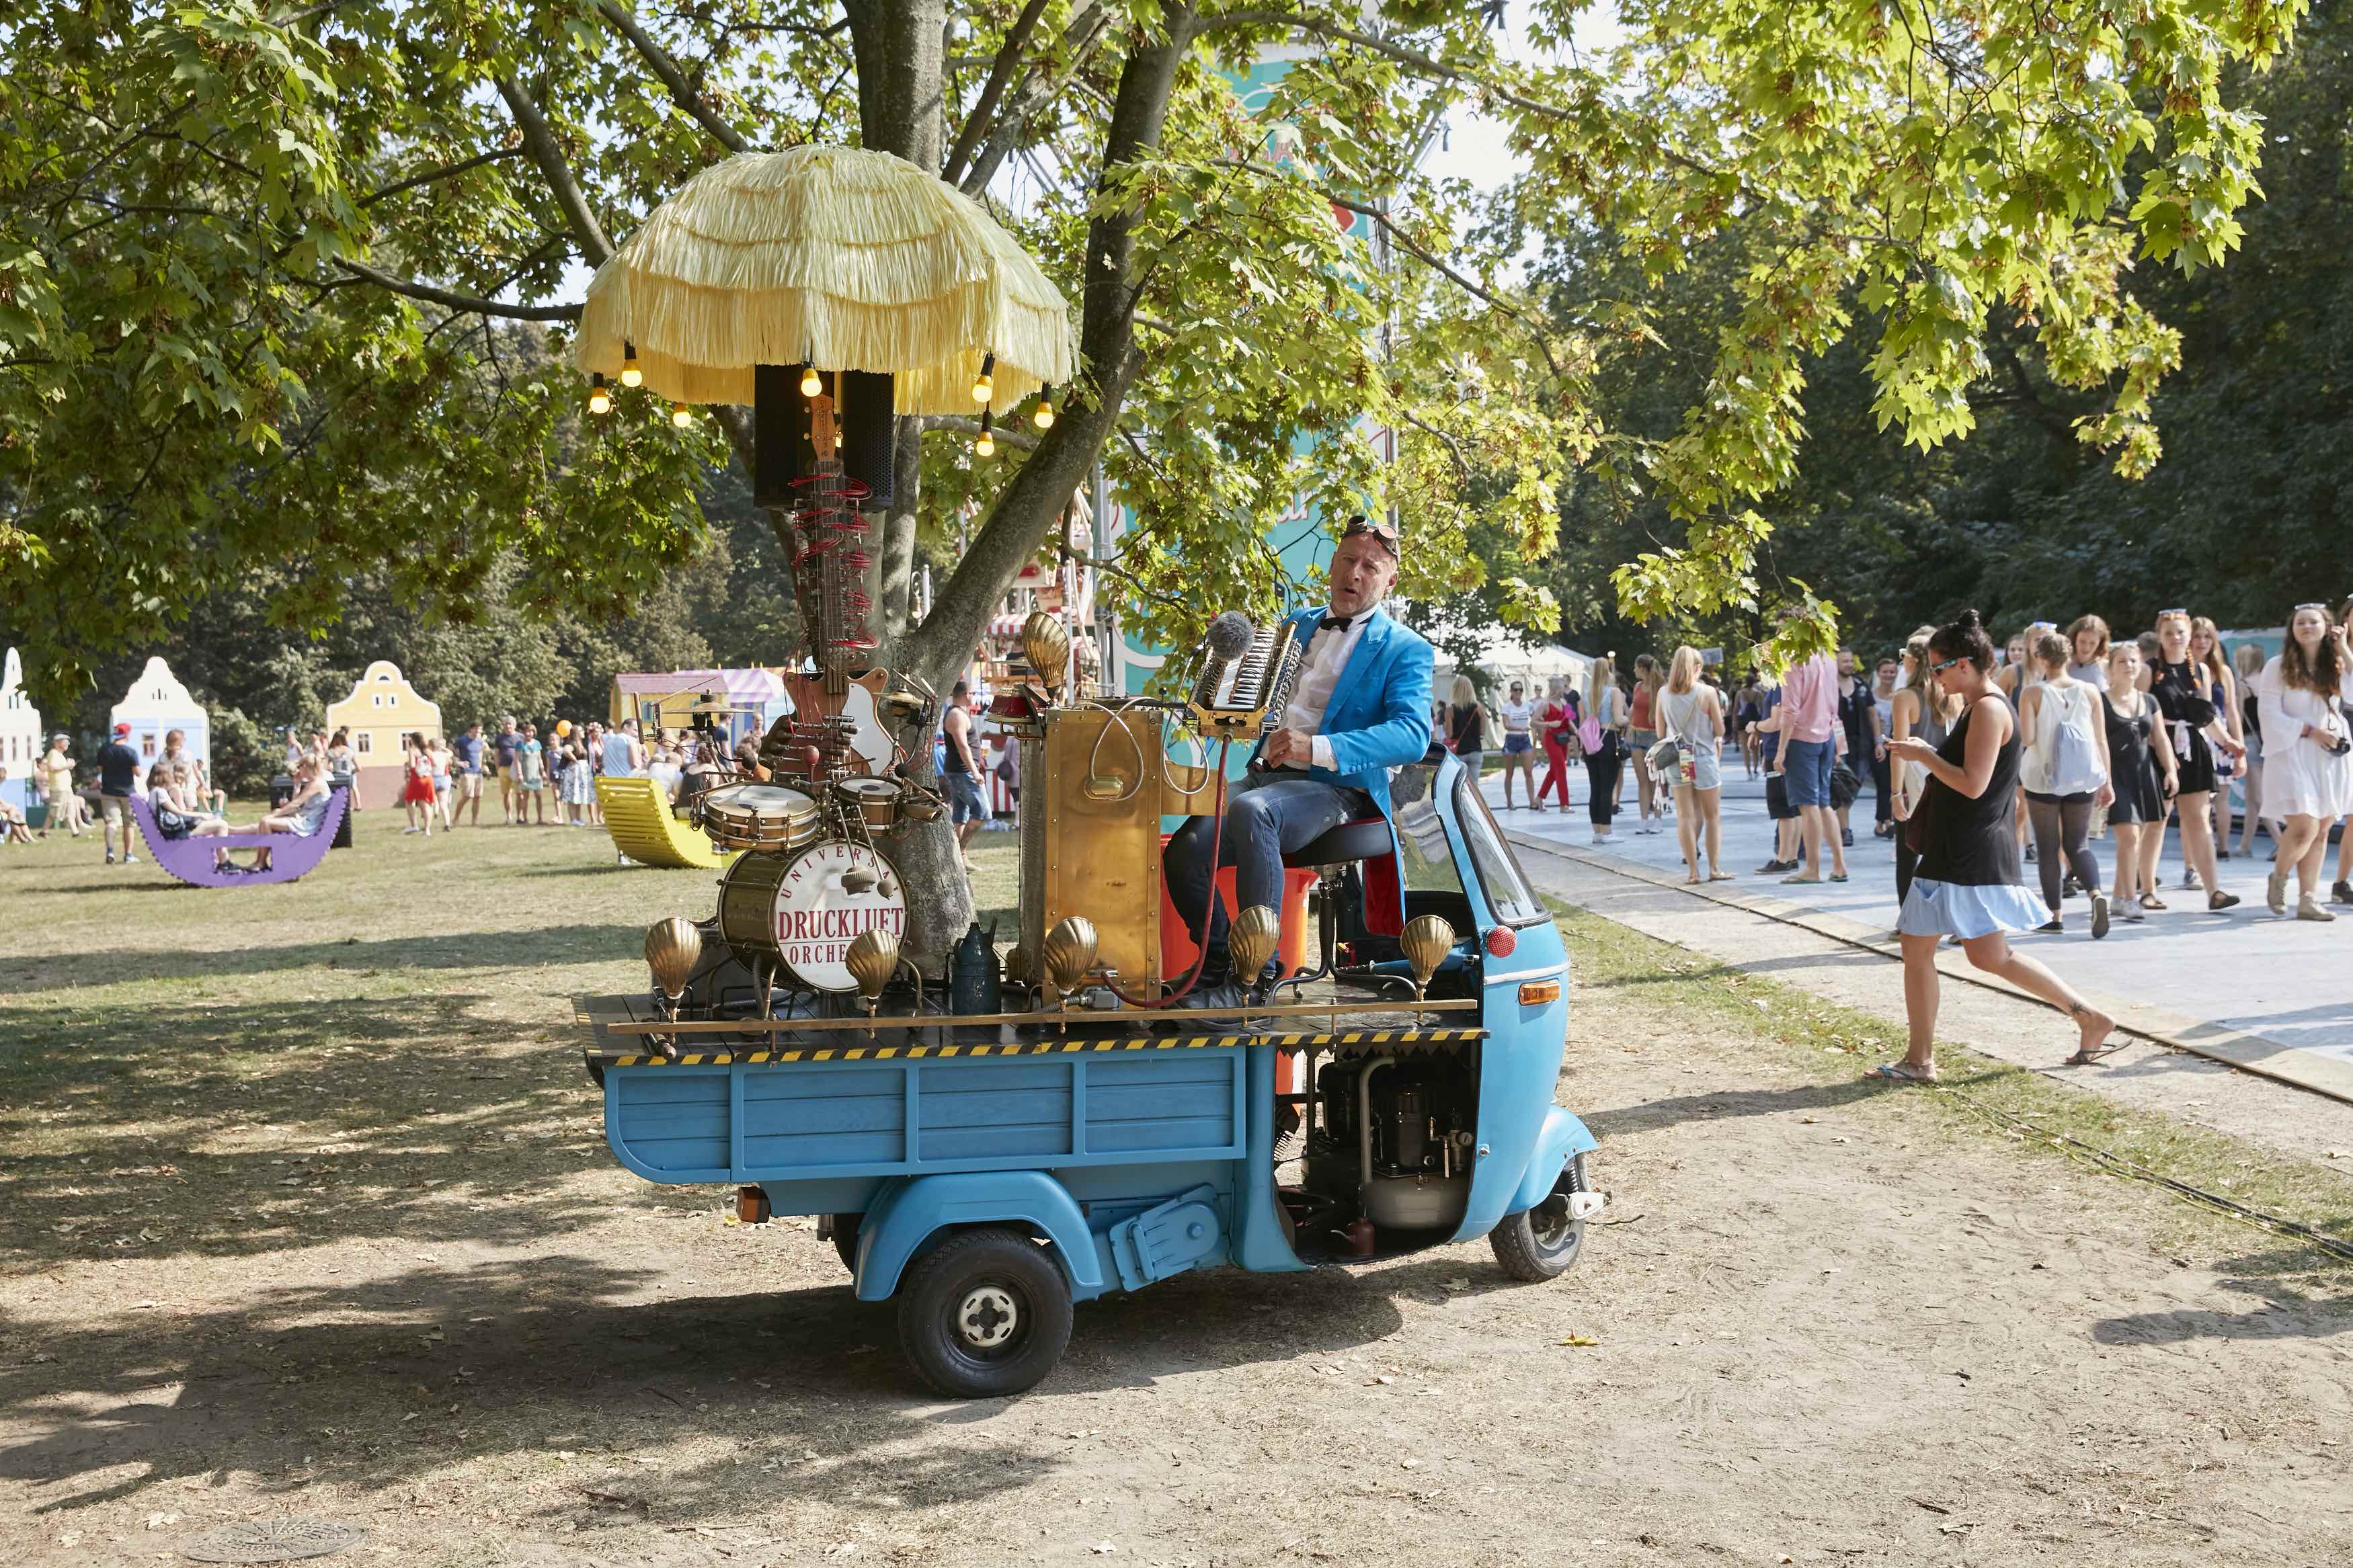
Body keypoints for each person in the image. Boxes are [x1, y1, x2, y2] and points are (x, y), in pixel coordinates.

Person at [1166, 515, 1433, 1008]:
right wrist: (1220, 688)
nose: (1355, 573)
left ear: (1389, 581)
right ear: (1332, 564)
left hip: (1337, 787)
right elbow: (1253, 697)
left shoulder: (1405, 648)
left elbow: (1413, 735)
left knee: (1253, 812)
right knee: (1185, 847)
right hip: (1267, 775)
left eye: (1370, 567)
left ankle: (1256, 978)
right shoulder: (1295, 625)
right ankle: (1219, 961)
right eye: (1348, 560)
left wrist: (1317, 748)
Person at [1876, 610, 2118, 1083]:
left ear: (1964, 665)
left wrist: (1924, 755)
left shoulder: (1987, 708)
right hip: (1964, 849)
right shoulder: (1980, 704)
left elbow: (1972, 784)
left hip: (1966, 852)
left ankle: (1920, 1059)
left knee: (1928, 950)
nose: (1934, 676)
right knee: (1984, 956)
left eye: (1939, 667)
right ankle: (2089, 1017)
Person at [2256, 603, 2353, 921]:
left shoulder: (2336, 663)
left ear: (2327, 626)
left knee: (2323, 827)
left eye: (2314, 622)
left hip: (2327, 756)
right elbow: (2268, 713)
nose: (2307, 627)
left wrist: (2342, 647)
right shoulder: (2278, 665)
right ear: (2293, 630)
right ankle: (2280, 878)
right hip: (2292, 750)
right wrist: (2309, 730)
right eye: (2300, 622)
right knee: (2304, 824)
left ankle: (2308, 899)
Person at [2141, 608, 2243, 911]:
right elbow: (2139, 715)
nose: (2175, 638)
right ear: (2160, 635)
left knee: (2199, 820)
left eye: (2180, 632)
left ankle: (2214, 891)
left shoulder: (2201, 670)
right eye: (2169, 632)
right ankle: (2147, 889)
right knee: (2157, 821)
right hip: (2160, 747)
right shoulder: (2149, 670)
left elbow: (2206, 715)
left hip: (2194, 748)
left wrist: (2229, 743)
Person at [2018, 630, 2114, 936]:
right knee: (2078, 844)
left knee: (2048, 847)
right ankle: (2095, 894)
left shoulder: (2032, 693)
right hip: (2082, 778)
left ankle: (2055, 917)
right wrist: (2106, 780)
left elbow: (2029, 738)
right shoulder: (2090, 691)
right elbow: (2100, 738)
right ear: (2069, 656)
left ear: (2040, 658)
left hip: (2043, 778)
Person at [2100, 641, 2179, 923]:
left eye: (2133, 661)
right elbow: (2095, 741)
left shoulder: (2149, 701)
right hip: (2114, 775)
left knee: (2139, 836)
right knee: (2129, 837)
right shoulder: (2099, 700)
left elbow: (2160, 739)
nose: (2129, 666)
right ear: (2109, 668)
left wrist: (2170, 770)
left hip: (2144, 772)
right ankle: (2128, 898)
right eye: (2121, 661)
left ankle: (2119, 896)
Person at [1888, 628, 1957, 907]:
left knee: (1907, 853)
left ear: (1912, 661)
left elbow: (1899, 750)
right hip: (1947, 778)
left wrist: (1895, 792)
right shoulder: (1951, 695)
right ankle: (1952, 917)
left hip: (1913, 783)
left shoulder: (1905, 698)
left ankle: (1908, 918)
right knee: (1944, 850)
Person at [1657, 646, 1730, 882]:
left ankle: (1692, 872)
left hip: (1677, 758)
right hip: (1703, 756)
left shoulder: (1663, 693)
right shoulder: (1707, 692)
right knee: (1712, 816)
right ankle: (1714, 868)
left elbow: (1660, 731)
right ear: (1697, 667)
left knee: (1685, 817)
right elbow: (1720, 730)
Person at [1776, 647, 1848, 884]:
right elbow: (1833, 702)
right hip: (1825, 735)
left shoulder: (1793, 659)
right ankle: (1839, 866)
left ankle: (1813, 869)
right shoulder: (1827, 656)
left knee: (1808, 807)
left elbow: (1791, 709)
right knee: (1824, 804)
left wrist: (1780, 749)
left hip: (1802, 738)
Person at [2190, 616, 2243, 867]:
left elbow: (2232, 710)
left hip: (2220, 735)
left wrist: (2238, 744)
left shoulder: (2223, 671)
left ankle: (2222, 846)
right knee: (2199, 800)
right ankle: (2199, 851)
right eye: (2197, 636)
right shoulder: (2183, 668)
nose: (2202, 642)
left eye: (2207, 636)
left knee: (2221, 797)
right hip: (2193, 735)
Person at [250, 755, 333, 872]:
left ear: (304, 767)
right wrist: (297, 784)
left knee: (266, 822)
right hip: (306, 820)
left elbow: (296, 804)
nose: (298, 771)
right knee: (270, 816)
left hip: (308, 825)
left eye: (299, 767)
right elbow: (296, 803)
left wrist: (274, 816)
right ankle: (259, 861)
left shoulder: (316, 784)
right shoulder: (313, 782)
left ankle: (262, 862)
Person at [1833, 649, 1879, 850]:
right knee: (1843, 785)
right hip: (1837, 744)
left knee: (1854, 785)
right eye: (1845, 661)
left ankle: (1839, 822)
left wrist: (1878, 741)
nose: (1849, 665)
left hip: (1861, 744)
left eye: (1851, 661)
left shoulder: (1861, 686)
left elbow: (1872, 714)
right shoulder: (1828, 686)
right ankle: (1845, 830)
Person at [941, 682, 987, 867]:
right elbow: (962, 746)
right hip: (962, 772)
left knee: (961, 814)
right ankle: (959, 852)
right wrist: (974, 771)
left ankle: (961, 859)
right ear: (966, 694)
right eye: (973, 692)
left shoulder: (958, 713)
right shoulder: (956, 715)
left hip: (960, 771)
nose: (974, 696)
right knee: (982, 811)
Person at [2231, 642, 2268, 858]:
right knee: (2252, 795)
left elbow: (2237, 715)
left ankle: (2281, 840)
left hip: (2249, 741)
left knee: (2257, 797)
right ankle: (2245, 844)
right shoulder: (2267, 681)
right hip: (2266, 741)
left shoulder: (2243, 685)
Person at [1582, 657, 1625, 845]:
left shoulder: (1587, 694)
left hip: (1590, 743)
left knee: (1595, 788)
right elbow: (1618, 719)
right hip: (1608, 740)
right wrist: (1629, 720)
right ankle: (1607, 831)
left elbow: (1585, 722)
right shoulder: (1614, 692)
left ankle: (1597, 831)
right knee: (1608, 788)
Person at [1626, 654, 1663, 833]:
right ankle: (1643, 820)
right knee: (1642, 780)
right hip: (1637, 736)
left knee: (1656, 780)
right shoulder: (1638, 686)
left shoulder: (1661, 688)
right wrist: (1628, 732)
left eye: (1636, 667)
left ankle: (1657, 819)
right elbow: (1634, 713)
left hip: (1655, 737)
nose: (1634, 670)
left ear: (1642, 668)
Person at [97, 721, 142, 865]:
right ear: (127, 734)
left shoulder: (104, 750)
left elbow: (99, 769)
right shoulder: (130, 752)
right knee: (128, 824)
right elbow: (138, 773)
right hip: (127, 791)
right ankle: (128, 855)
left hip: (108, 791)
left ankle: (110, 852)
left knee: (111, 823)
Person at [1496, 679, 1541, 809]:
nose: (1518, 692)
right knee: (1509, 773)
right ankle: (1509, 802)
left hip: (1525, 740)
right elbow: (1506, 725)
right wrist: (1520, 729)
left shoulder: (1528, 705)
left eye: (1520, 690)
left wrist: (1535, 735)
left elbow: (1534, 721)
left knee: (1528, 772)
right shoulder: (1507, 707)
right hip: (1511, 739)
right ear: (1511, 691)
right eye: (1515, 690)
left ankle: (1532, 801)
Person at [1535, 675, 1577, 812]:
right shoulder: (1545, 704)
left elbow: (1570, 720)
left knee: (1554, 770)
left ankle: (1540, 797)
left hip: (1563, 738)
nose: (1565, 689)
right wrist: (1549, 723)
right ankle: (1564, 804)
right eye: (1563, 687)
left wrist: (1577, 732)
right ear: (1557, 688)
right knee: (1561, 769)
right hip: (1551, 738)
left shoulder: (1564, 702)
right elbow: (1533, 721)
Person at [1869, 656, 1899, 839]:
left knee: (1892, 784)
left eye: (1892, 672)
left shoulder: (1900, 695)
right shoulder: (1871, 695)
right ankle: (1886, 821)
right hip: (1877, 746)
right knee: (1884, 784)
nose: (1889, 675)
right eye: (1885, 672)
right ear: (1878, 673)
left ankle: (1883, 822)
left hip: (1895, 745)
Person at [36, 735, 83, 838]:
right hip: (58, 788)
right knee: (55, 811)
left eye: (68, 742)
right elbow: (52, 768)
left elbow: (60, 768)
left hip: (66, 788)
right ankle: (43, 831)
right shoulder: (53, 753)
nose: (68, 744)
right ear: (57, 743)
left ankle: (75, 832)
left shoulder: (60, 755)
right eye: (64, 742)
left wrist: (69, 765)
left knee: (71, 810)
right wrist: (67, 765)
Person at [1445, 674, 1485, 784]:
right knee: (1474, 787)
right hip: (1476, 751)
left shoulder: (1450, 710)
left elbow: (1449, 734)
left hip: (1459, 753)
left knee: (1459, 787)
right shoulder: (1480, 708)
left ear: (1455, 690)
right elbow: (1482, 732)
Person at [451, 721, 486, 826]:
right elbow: (450, 750)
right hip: (467, 772)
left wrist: (482, 765)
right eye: (476, 729)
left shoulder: (480, 741)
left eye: (480, 729)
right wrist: (458, 762)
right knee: (467, 796)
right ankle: (456, 818)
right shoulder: (462, 740)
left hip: (478, 773)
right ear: (471, 729)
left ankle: (474, 821)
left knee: (477, 797)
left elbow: (480, 753)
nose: (478, 731)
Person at [514, 723, 548, 825]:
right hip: (525, 774)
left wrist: (543, 771)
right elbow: (517, 760)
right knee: (525, 796)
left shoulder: (537, 744)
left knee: (538, 796)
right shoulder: (520, 744)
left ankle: (540, 819)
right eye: (527, 731)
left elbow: (539, 759)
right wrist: (520, 774)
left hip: (536, 774)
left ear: (534, 732)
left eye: (531, 731)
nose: (529, 733)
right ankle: (525, 818)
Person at [2065, 615, 2112, 690]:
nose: (2086, 648)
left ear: (2100, 643)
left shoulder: (2107, 667)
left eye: (2092, 643)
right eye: (2082, 641)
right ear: (2074, 639)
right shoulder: (2062, 665)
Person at [493, 716, 521, 823]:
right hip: (504, 768)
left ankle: (519, 816)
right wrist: (497, 768)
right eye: (506, 724)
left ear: (514, 725)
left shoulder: (520, 737)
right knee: (506, 794)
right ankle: (509, 816)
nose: (508, 726)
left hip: (517, 769)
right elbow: (496, 754)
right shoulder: (499, 738)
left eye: (510, 724)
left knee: (520, 793)